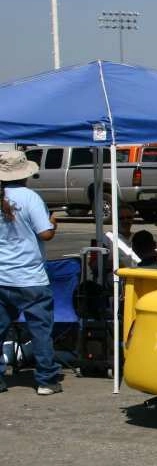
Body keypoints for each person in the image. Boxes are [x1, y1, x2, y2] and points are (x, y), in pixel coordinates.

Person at [0, 151, 62, 395]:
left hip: (3, 275)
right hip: (30, 276)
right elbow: (44, 234)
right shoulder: (30, 197)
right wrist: (53, 224)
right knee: (40, 330)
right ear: (25, 174)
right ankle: (46, 379)